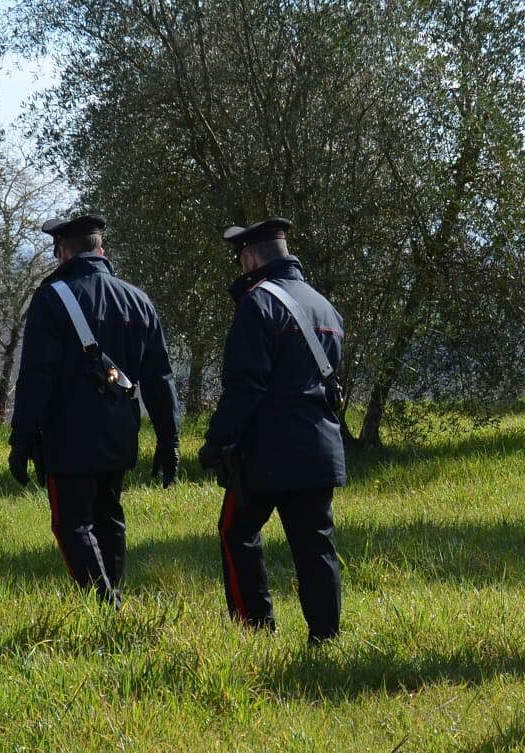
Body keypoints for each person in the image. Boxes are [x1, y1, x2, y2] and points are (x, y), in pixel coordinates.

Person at [8, 214, 181, 609]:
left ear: (61, 252)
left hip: (68, 434)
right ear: (101, 250)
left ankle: (105, 604)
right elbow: (161, 378)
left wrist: (22, 437)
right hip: (121, 431)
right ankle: (112, 596)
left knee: (71, 523)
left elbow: (36, 376)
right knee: (109, 515)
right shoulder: (138, 300)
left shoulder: (52, 298)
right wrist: (169, 439)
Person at [197, 217, 346, 644]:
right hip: (319, 445)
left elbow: (244, 387)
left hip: (267, 452)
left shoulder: (258, 303)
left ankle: (255, 629)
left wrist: (216, 442)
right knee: (315, 545)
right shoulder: (324, 306)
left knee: (236, 532)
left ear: (249, 258)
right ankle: (325, 638)